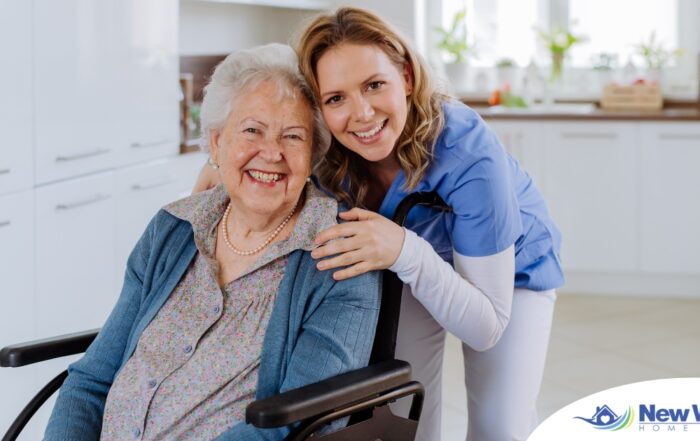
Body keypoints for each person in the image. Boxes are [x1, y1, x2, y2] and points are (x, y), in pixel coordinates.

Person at [44, 43, 381, 441]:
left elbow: (299, 422)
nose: (271, 153)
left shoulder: (340, 255)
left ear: (312, 157)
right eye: (252, 130)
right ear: (217, 144)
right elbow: (92, 380)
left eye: (292, 136)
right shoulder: (172, 228)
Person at [296, 8, 564, 441]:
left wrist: (405, 250)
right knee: (406, 416)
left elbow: (486, 327)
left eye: (374, 85)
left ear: (405, 77)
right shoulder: (326, 154)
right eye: (336, 98)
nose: (361, 114)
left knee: (500, 428)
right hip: (406, 263)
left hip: (511, 272)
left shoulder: (468, 155)